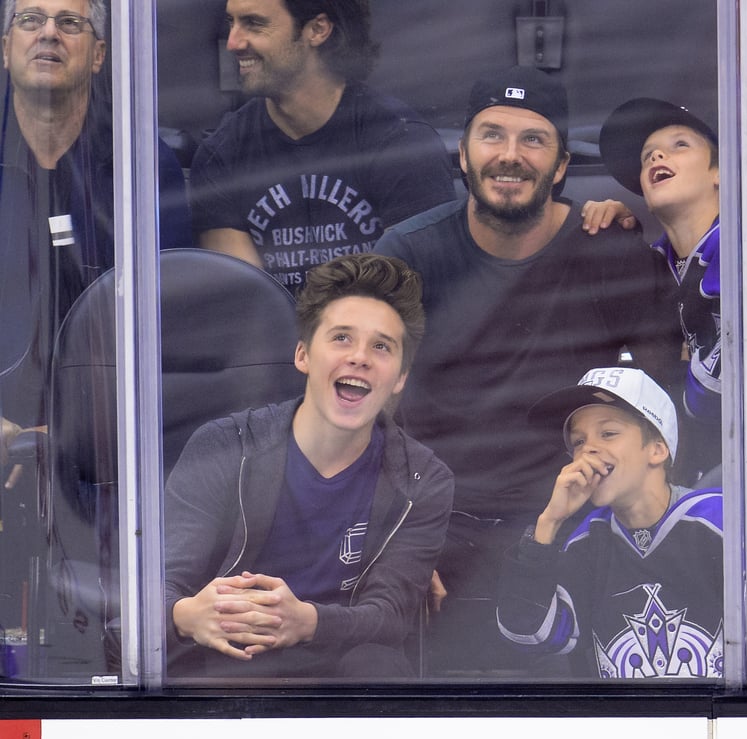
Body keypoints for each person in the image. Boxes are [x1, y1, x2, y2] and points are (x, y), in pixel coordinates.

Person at [373, 65, 681, 675]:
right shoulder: (409, 255)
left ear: (562, 166)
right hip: (438, 523)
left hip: (573, 522)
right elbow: (365, 411)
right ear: (462, 154)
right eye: (492, 135)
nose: (509, 156)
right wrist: (398, 537)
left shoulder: (606, 248)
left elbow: (659, 404)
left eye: (533, 140)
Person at [0, 0, 191, 670]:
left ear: (103, 54)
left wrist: (79, 428)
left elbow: (177, 327)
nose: (48, 33)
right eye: (30, 20)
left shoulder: (145, 167)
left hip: (113, 448)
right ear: (4, 48)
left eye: (70, 22)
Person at [163, 253, 454, 679]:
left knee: (378, 666)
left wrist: (307, 622)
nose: (360, 357)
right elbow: (155, 588)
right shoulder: (223, 445)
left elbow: (391, 615)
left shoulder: (423, 479)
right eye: (341, 338)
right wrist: (187, 615)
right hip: (225, 669)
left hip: (339, 675)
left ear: (400, 377)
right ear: (303, 354)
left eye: (381, 346)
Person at [496, 366, 747, 680]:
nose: (587, 449)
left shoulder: (722, 522)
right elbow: (529, 636)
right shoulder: (585, 540)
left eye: (608, 433)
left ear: (657, 449)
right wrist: (549, 523)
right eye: (578, 441)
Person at [591, 98, 747, 485]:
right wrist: (612, 235)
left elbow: (720, 400)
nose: (656, 155)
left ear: (721, 173)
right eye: (646, 157)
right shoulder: (656, 263)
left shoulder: (742, 242)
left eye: (679, 145)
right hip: (705, 480)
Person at [188, 0, 455, 295]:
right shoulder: (222, 154)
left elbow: (404, 302)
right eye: (231, 23)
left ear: (317, 29)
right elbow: (249, 306)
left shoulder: (400, 144)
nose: (233, 43)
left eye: (254, 23)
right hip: (276, 340)